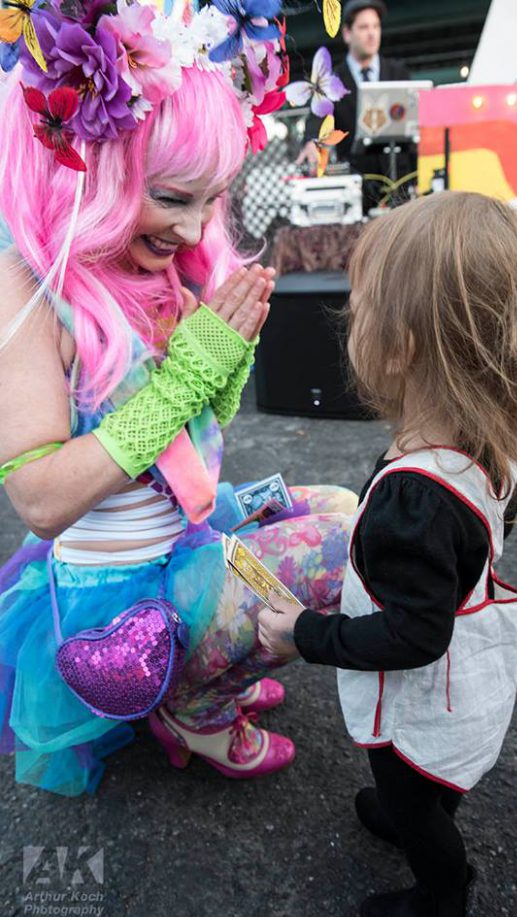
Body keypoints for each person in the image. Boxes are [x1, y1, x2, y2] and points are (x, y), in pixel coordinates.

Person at [0, 1, 357, 797]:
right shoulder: (27, 287)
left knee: (347, 506)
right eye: (173, 197)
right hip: (120, 599)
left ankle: (211, 665)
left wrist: (220, 375)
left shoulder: (156, 267)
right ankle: (194, 702)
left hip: (182, 542)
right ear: (92, 168)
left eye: (213, 198)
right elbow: (40, 499)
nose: (197, 231)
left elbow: (188, 451)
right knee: (341, 553)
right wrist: (185, 381)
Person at [258, 191, 517, 917]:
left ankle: (440, 891)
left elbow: (413, 637)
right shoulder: (490, 447)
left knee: (408, 795)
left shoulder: (415, 500)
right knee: (428, 783)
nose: (347, 318)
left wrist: (304, 633)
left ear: (401, 347)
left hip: (423, 695)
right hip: (476, 671)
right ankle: (422, 807)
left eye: (359, 307)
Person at [298, 0, 412, 209]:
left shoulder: (399, 72)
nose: (371, 33)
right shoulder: (331, 80)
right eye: (364, 27)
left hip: (402, 185)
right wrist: (311, 142)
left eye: (376, 26)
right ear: (347, 33)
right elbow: (317, 116)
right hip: (357, 188)